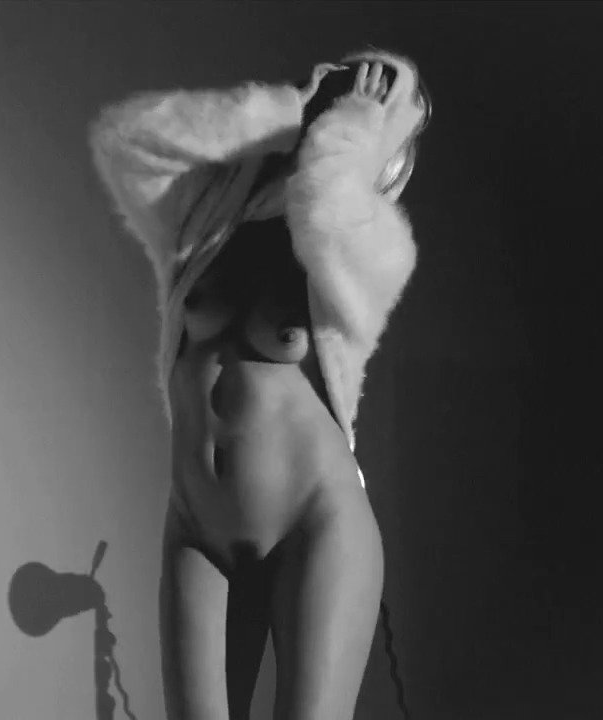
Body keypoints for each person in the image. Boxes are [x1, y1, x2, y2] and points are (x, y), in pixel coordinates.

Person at [89, 49, 430, 720]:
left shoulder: (369, 248)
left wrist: (360, 120)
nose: (334, 112)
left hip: (316, 528)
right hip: (198, 525)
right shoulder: (207, 220)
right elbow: (125, 142)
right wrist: (277, 113)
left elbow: (328, 209)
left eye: (356, 108)